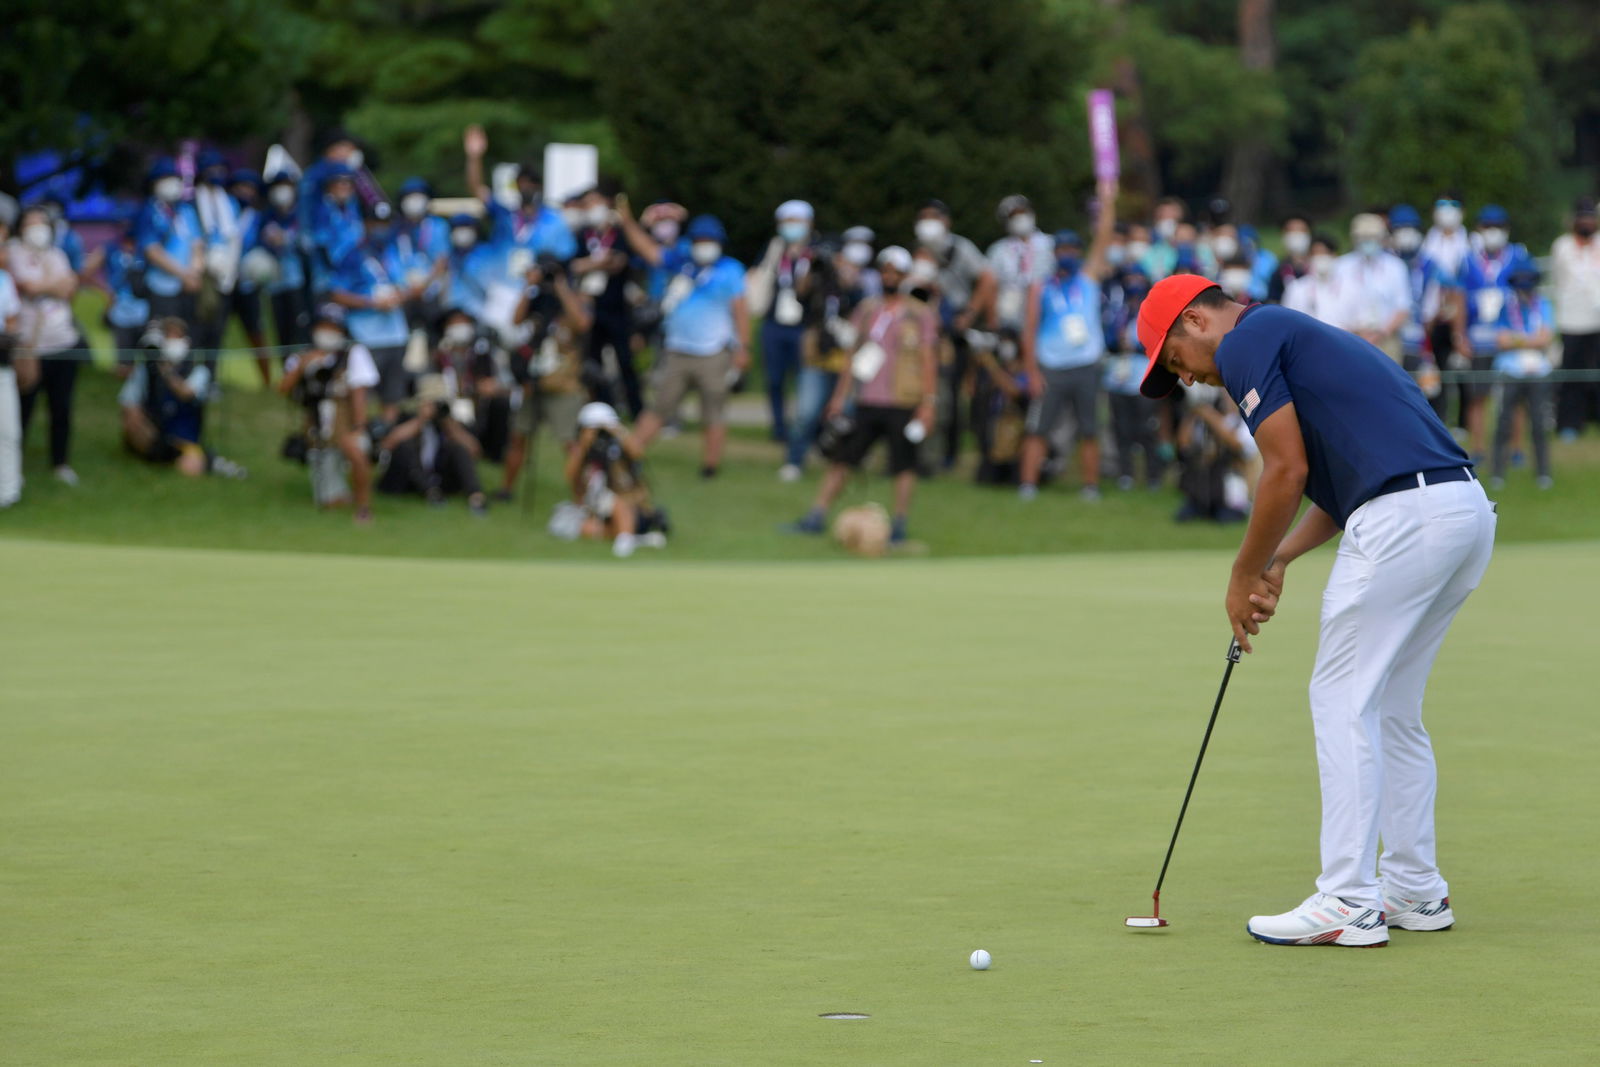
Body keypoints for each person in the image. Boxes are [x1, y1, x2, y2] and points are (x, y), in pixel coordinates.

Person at [1137, 274, 1495, 947]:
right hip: (1460, 509)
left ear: (1194, 321)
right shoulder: (1296, 337)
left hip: (1406, 516)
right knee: (1390, 707)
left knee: (1340, 697)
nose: (1181, 377)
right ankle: (1415, 889)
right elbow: (1337, 483)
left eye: (1172, 359)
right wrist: (1280, 559)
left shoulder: (1247, 339)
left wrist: (1242, 572)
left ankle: (1348, 900)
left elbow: (1284, 471)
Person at [787, 246, 937, 546]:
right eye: (886, 271)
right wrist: (839, 398)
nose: (890, 277)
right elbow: (852, 358)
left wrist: (928, 404)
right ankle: (817, 515)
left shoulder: (919, 315)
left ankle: (899, 524)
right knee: (842, 459)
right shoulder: (867, 310)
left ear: (906, 276)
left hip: (902, 400)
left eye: (896, 272)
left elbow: (927, 359)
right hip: (867, 399)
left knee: (903, 465)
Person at [1018, 179, 1120, 501]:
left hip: (1086, 364)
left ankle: (1090, 487)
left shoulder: (1088, 278)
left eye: (1073, 250)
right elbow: (1029, 330)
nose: (1068, 255)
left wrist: (1108, 200)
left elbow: (1103, 237)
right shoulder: (1041, 287)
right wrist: (1032, 372)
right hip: (1051, 366)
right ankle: (1028, 486)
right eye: (1063, 250)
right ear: (1055, 253)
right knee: (1038, 428)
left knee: (1089, 429)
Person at [629, 215, 749, 477]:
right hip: (677, 350)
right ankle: (630, 453)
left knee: (713, 412)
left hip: (714, 352)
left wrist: (743, 347)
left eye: (710, 241)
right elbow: (648, 250)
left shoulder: (731, 270)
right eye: (700, 240)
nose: (705, 245)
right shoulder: (680, 264)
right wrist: (627, 221)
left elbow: (740, 310)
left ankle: (710, 466)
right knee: (660, 406)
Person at [499, 257, 592, 500]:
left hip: (563, 386)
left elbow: (582, 322)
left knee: (569, 443)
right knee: (518, 437)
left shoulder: (572, 300)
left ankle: (581, 497)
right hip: (533, 382)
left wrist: (561, 285)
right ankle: (506, 489)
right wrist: (529, 286)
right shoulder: (535, 298)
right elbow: (516, 319)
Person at [914, 198, 995, 469]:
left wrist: (970, 313)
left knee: (950, 391)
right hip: (920, 328)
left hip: (950, 332)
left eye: (933, 216)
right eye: (923, 217)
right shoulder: (916, 251)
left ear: (946, 221)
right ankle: (918, 447)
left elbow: (987, 278)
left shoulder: (960, 248)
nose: (928, 222)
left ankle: (949, 452)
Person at [279, 305, 377, 520]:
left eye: (333, 327)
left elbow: (359, 394)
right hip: (317, 428)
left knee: (356, 452)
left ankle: (363, 508)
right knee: (331, 501)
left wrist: (358, 428)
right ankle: (342, 494)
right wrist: (303, 365)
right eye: (323, 326)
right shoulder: (302, 355)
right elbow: (283, 389)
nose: (328, 331)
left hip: (346, 423)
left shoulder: (353, 353)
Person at [331, 202, 425, 423]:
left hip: (395, 334)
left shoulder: (394, 252)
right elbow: (335, 293)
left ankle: (386, 441)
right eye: (376, 223)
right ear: (366, 224)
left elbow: (410, 285)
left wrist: (401, 296)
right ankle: (359, 435)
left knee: (392, 394)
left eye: (385, 223)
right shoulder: (350, 256)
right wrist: (371, 303)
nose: (381, 228)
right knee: (359, 388)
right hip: (365, 336)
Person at [9, 205, 81, 486]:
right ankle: (13, 465)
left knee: (61, 407)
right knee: (23, 407)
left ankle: (60, 463)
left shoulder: (57, 253)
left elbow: (69, 288)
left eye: (42, 223)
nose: (38, 228)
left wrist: (46, 285)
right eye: (31, 223)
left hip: (63, 341)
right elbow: (29, 287)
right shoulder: (13, 251)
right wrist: (53, 284)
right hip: (29, 344)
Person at [118, 318, 244, 479]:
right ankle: (152, 455)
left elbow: (186, 393)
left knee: (190, 469)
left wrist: (166, 371)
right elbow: (128, 403)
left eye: (176, 336)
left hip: (184, 439)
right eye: (167, 335)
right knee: (132, 421)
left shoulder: (198, 371)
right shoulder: (147, 370)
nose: (171, 341)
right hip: (155, 434)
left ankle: (206, 461)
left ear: (186, 341)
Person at [1458, 205, 1533, 460]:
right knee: (1477, 395)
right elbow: (1459, 299)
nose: (1493, 232)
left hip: (1508, 336)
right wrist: (1460, 335)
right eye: (1488, 227)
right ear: (1480, 229)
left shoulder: (1519, 255)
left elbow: (1529, 295)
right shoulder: (1468, 259)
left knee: (1513, 397)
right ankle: (1478, 448)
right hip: (1478, 336)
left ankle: (1516, 448)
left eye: (1498, 227)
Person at [748, 200, 822, 449]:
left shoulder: (817, 250)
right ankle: (779, 427)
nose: (792, 226)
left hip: (804, 325)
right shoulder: (774, 248)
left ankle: (805, 427)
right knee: (775, 379)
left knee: (805, 379)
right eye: (787, 221)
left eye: (797, 221)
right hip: (774, 323)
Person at [570, 186, 640, 418]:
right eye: (587, 203)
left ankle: (636, 409)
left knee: (625, 361)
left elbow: (619, 262)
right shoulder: (582, 235)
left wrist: (592, 263)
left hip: (617, 307)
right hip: (590, 309)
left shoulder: (618, 233)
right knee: (594, 362)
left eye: (595, 201)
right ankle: (603, 407)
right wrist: (599, 262)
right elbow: (574, 265)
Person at [563, 401, 667, 558]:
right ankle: (634, 539)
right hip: (599, 510)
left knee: (617, 502)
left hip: (630, 506)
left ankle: (625, 541)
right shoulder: (583, 452)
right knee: (585, 529)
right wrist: (584, 445)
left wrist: (617, 431)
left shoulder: (619, 446)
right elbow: (570, 476)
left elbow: (638, 453)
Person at [376, 374, 489, 514]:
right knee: (406, 447)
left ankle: (476, 496)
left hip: (438, 474)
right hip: (405, 479)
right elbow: (388, 444)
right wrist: (421, 420)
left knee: (458, 449)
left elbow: (475, 451)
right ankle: (431, 493)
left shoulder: (448, 422)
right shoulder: (406, 415)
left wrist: (450, 425)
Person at [1490, 267, 1555, 490]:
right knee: (1503, 422)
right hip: (1510, 370)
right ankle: (1497, 472)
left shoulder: (1544, 305)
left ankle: (1543, 473)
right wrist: (1529, 340)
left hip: (1538, 371)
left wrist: (1517, 339)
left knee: (1539, 423)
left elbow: (1545, 338)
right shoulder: (1505, 308)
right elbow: (1500, 340)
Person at [1102, 265, 1164, 491]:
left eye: (1137, 277)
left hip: (1142, 377)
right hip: (1117, 377)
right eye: (1129, 278)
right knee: (1121, 428)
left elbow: (1159, 342)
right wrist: (1116, 340)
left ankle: (1153, 475)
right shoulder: (1116, 310)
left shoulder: (1153, 312)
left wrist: (1137, 345)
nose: (1133, 282)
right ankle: (1126, 473)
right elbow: (1106, 338)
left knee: (1147, 429)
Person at [1552, 197, 1600, 440]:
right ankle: (1569, 423)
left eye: (1590, 217)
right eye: (1583, 217)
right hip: (1571, 321)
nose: (1587, 221)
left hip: (1597, 321)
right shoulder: (1562, 246)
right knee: (1571, 377)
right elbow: (1558, 281)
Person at [136, 157, 203, 327]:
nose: (171, 183)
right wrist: (183, 275)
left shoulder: (186, 210)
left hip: (188, 286)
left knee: (189, 335)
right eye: (164, 179)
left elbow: (197, 244)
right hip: (160, 286)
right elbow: (152, 252)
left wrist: (193, 273)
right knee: (163, 334)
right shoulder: (149, 211)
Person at [1333, 213, 1410, 361]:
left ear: (1382, 238)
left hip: (1387, 338)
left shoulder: (1395, 267)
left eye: (1372, 237)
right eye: (1363, 238)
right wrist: (1355, 334)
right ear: (1354, 238)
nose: (1368, 242)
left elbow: (1403, 306)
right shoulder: (1341, 266)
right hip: (1350, 337)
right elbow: (1336, 304)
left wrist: (1380, 334)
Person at [986, 195, 1055, 335]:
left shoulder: (1050, 243)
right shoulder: (998, 250)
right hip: (1012, 316)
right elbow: (991, 285)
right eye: (1014, 216)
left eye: (1023, 213)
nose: (1020, 218)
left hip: (1047, 309)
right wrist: (992, 318)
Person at [260, 171, 310, 350]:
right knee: (282, 331)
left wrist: (288, 239)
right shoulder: (267, 216)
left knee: (301, 328)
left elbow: (309, 242)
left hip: (299, 282)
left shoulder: (302, 213)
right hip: (275, 283)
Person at [98, 220, 151, 372]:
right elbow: (85, 270)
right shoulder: (110, 249)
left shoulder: (145, 249)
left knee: (150, 358)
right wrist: (106, 291)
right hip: (120, 310)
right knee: (124, 362)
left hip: (143, 309)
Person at [0, 232, 20, 507]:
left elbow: (12, 321)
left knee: (8, 432)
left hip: (1, 364)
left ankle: (8, 492)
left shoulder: (5, 281)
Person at [1281, 234, 1342, 324]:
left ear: (1334, 256)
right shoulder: (1296, 288)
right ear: (1309, 257)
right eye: (1316, 254)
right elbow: (1287, 321)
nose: (1320, 258)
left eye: (1324, 253)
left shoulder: (1349, 287)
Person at [1267, 214, 1312, 304]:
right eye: (1291, 231)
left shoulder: (1317, 266)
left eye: (1301, 230)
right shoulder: (1278, 271)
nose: (1296, 234)